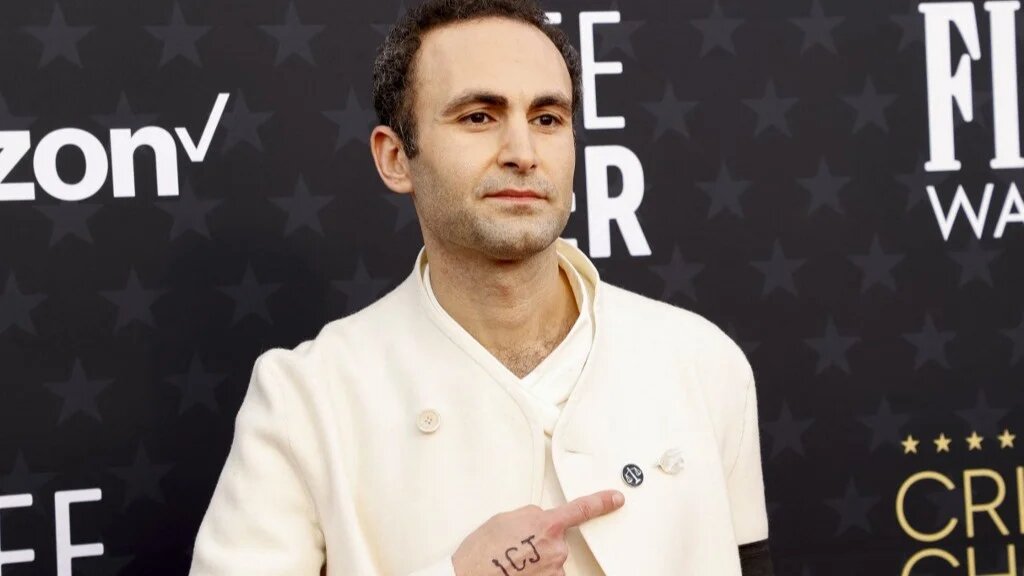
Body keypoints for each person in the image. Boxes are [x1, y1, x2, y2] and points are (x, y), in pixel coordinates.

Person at [188, 0, 773, 574]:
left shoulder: (701, 361)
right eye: (478, 117)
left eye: (547, 119)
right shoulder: (305, 399)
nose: (523, 153)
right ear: (395, 158)